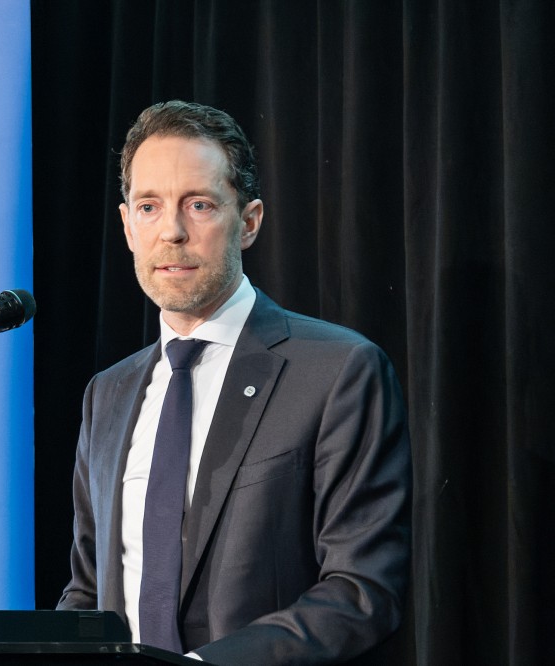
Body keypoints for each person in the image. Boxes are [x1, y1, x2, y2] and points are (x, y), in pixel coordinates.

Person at [57, 100, 411, 665]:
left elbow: (362, 590)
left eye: (198, 205)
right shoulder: (108, 394)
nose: (172, 232)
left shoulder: (338, 371)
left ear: (248, 222)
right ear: (127, 226)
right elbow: (88, 591)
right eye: (149, 207)